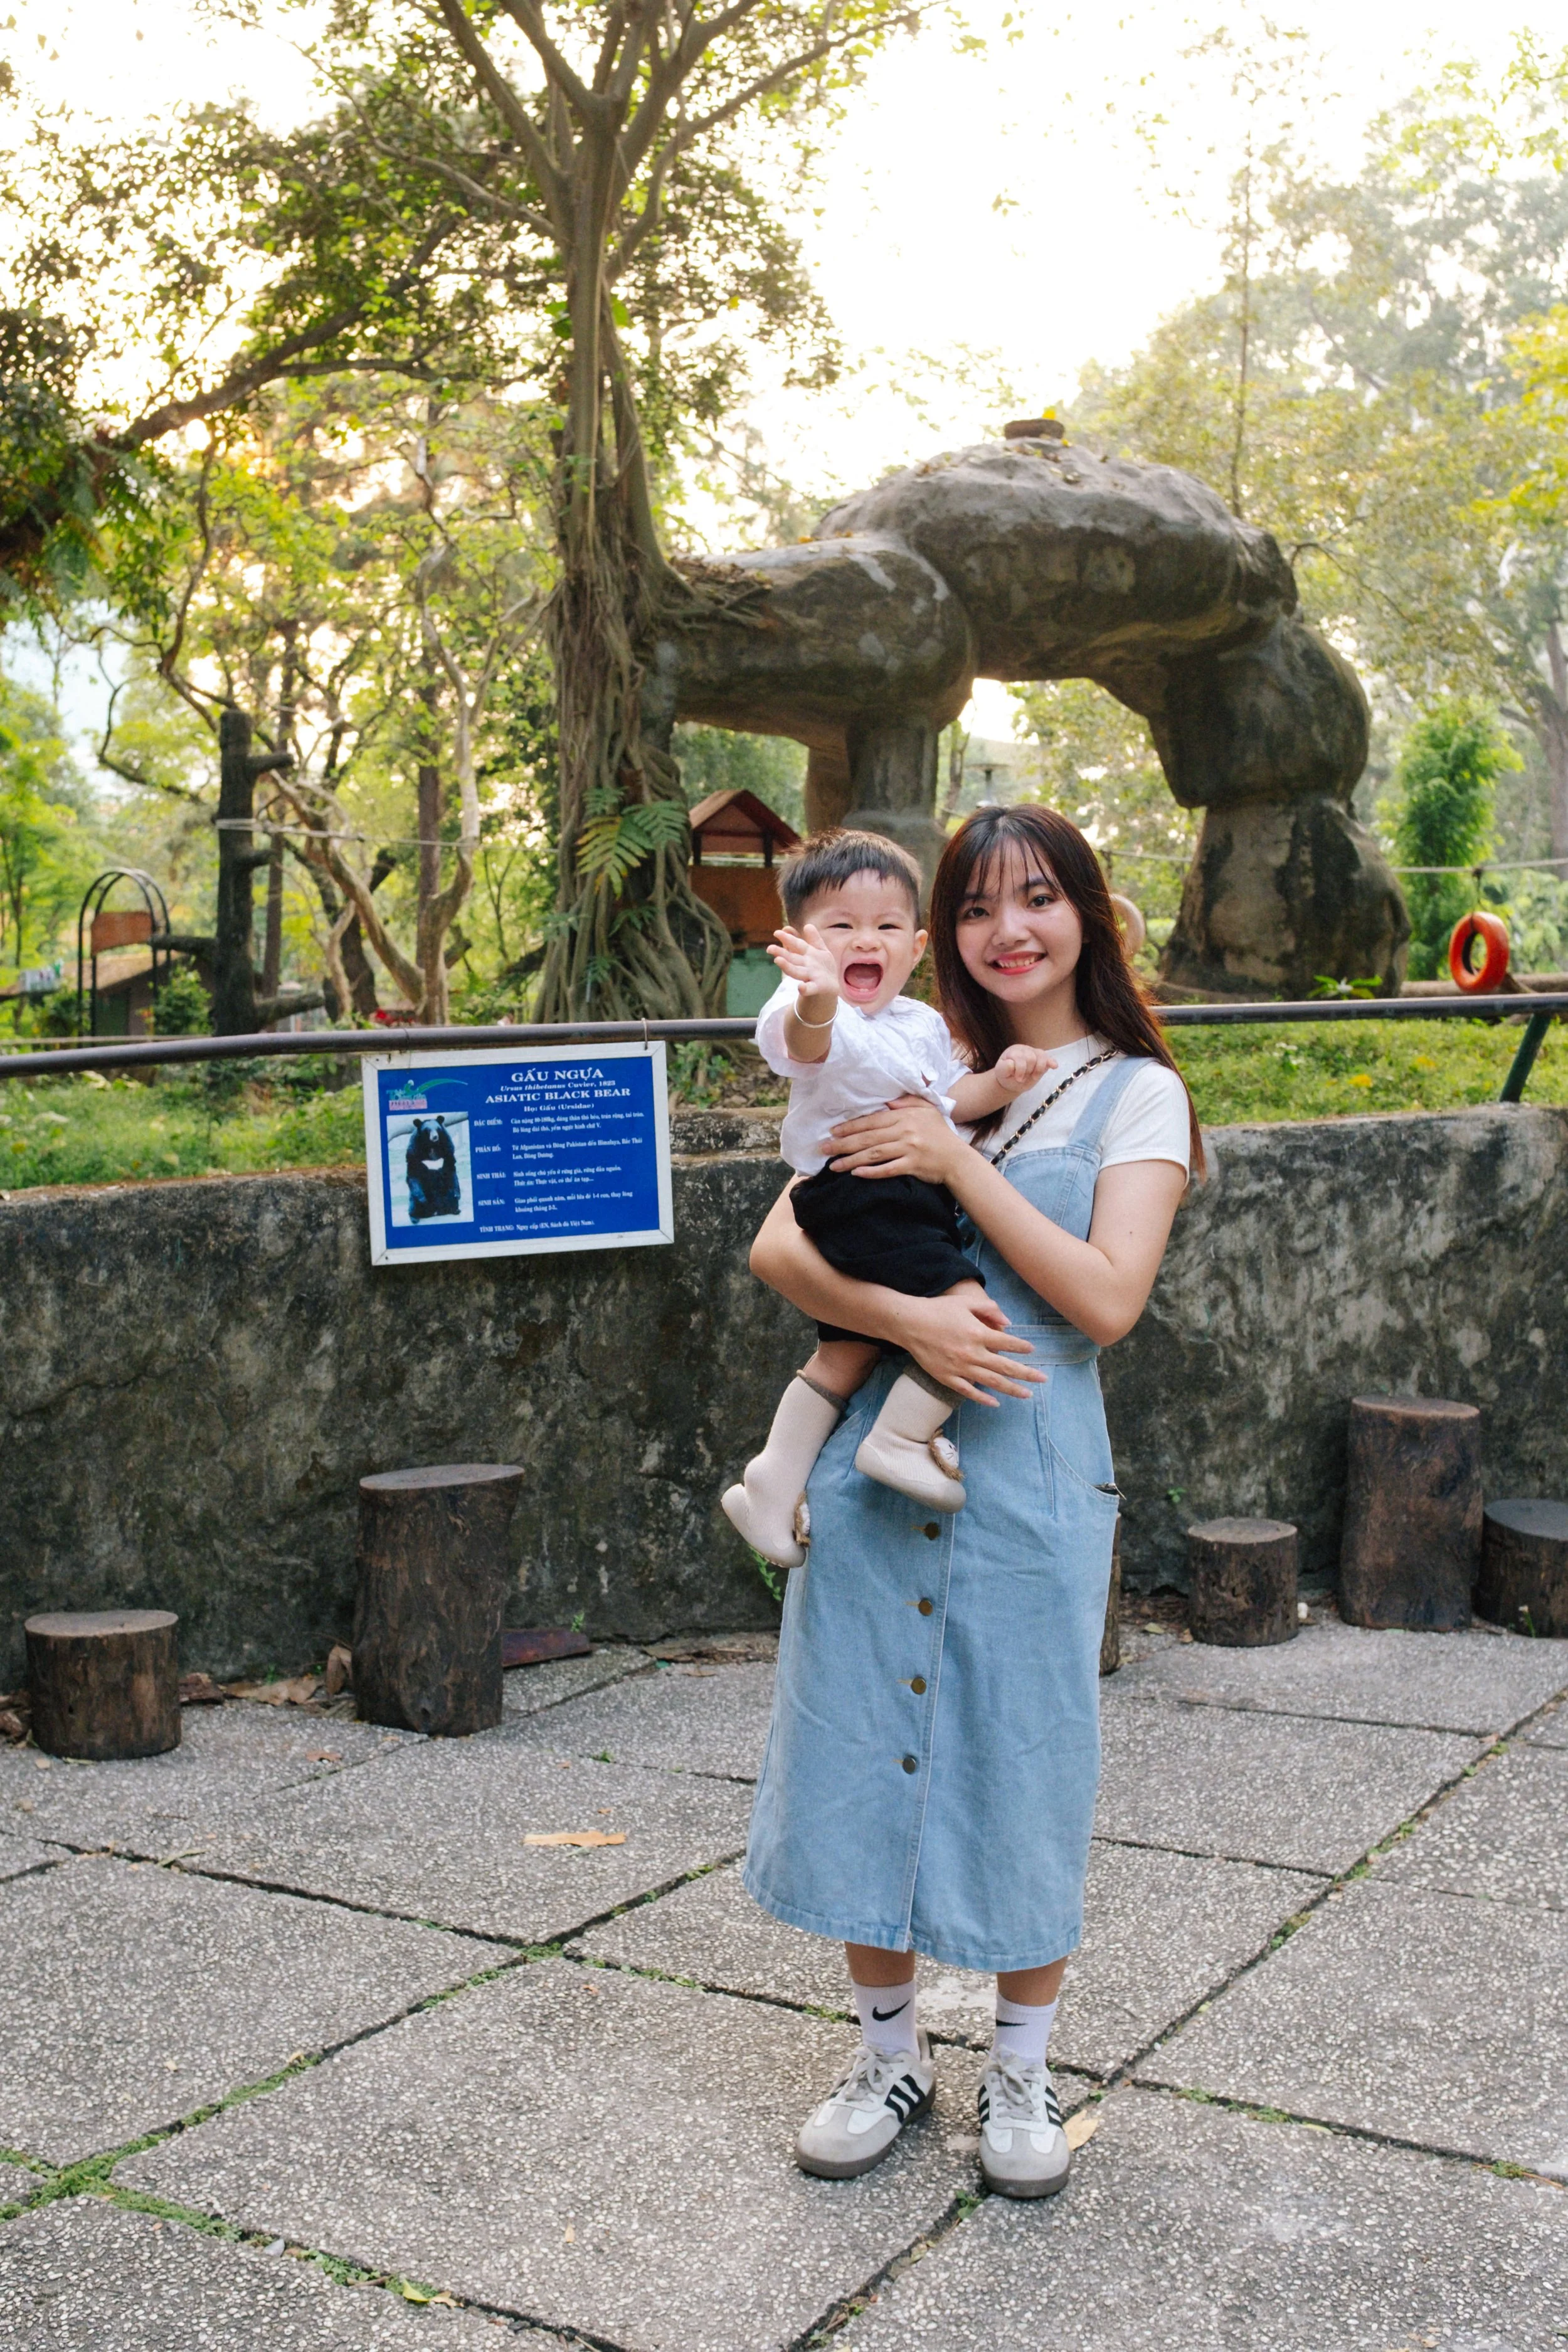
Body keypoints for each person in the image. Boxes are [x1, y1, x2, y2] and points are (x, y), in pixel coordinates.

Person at [741, 803, 1200, 2201]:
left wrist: (952, 1166)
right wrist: (912, 1321)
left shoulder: (1133, 1093)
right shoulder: (910, 1058)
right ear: (949, 929)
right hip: (880, 1461)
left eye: (1038, 899)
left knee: (1023, 1764)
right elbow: (780, 1242)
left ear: (1086, 915)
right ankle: (886, 2051)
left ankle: (1018, 2066)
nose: (1010, 930)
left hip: (1030, 1473)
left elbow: (1105, 1299)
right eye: (981, 905)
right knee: (856, 1753)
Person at [723, 829, 1058, 1569]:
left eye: (883, 927)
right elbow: (806, 1047)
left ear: (915, 947)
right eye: (839, 926)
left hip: (900, 1191)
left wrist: (1000, 1082)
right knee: (968, 1308)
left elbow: (946, 1105)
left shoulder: (920, 1024)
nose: (861, 940)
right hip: (858, 1193)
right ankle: (901, 1439)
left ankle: (769, 1487)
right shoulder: (808, 1006)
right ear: (800, 942)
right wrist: (815, 996)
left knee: (843, 1350)